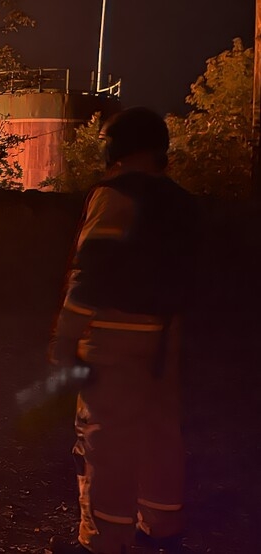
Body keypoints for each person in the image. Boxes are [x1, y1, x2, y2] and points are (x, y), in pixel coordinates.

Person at [47, 107, 200, 554]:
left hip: (112, 337)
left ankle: (103, 540)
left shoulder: (114, 196)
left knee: (105, 440)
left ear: (114, 148)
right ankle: (161, 530)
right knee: (159, 433)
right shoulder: (182, 202)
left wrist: (65, 337)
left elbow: (91, 271)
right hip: (167, 339)